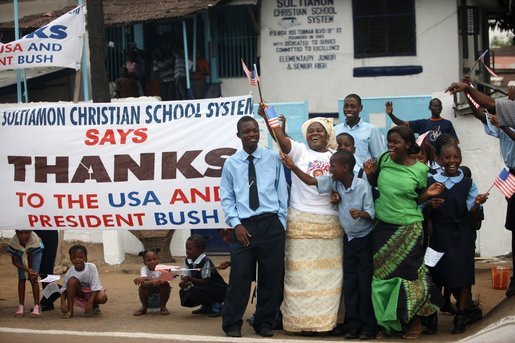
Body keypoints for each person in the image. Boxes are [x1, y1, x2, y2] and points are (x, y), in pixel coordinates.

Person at [260, 106, 343, 334]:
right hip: (301, 222)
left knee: (328, 277)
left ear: (328, 136)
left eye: (319, 131)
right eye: (310, 131)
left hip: (330, 224)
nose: (314, 134)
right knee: (299, 276)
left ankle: (324, 324)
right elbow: (280, 138)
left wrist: (338, 195)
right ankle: (298, 324)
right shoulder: (299, 152)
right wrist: (269, 119)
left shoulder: (334, 157)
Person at [282, 150, 377, 339]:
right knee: (350, 284)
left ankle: (368, 328)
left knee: (364, 284)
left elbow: (371, 213)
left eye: (332, 165)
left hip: (363, 240)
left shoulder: (362, 186)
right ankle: (354, 326)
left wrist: (361, 214)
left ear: (345, 167)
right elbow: (310, 181)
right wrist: (293, 167)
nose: (329, 168)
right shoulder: (335, 183)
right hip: (348, 239)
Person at [363, 126, 444, 339]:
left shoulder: (420, 170)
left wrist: (427, 193)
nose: (391, 145)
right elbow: (377, 187)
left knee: (409, 277)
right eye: (389, 141)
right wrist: (371, 175)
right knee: (382, 277)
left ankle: (414, 322)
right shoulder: (383, 160)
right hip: (383, 227)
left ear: (407, 145)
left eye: (396, 142)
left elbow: (416, 200)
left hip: (409, 228)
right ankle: (389, 324)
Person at [220, 116, 288, 338]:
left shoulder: (272, 158)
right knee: (239, 277)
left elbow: (281, 191)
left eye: (255, 130)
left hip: (270, 224)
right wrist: (236, 224)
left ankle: (264, 322)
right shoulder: (231, 163)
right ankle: (232, 324)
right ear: (238, 135)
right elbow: (227, 197)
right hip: (244, 228)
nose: (252, 134)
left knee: (270, 278)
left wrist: (281, 222)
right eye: (247, 131)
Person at [446, 80, 515, 297]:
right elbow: (479, 113)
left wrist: (468, 88)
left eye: (512, 98)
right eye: (509, 97)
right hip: (513, 174)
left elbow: (492, 105)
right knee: (514, 226)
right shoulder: (506, 118)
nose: (509, 101)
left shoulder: (507, 120)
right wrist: (468, 93)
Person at [425, 144, 488, 334]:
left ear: (460, 158)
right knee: (434, 276)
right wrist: (430, 206)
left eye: (456, 157)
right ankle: (432, 317)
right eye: (447, 158)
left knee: (462, 277)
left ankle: (460, 316)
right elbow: (421, 208)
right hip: (438, 236)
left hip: (461, 236)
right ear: (439, 159)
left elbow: (472, 212)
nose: (452, 161)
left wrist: (477, 204)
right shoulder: (431, 180)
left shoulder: (467, 183)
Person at [179, 234, 227, 317]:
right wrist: (184, 282)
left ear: (199, 250)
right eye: (186, 248)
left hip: (217, 289)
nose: (187, 251)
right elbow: (186, 274)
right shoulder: (188, 260)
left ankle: (217, 305)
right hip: (203, 287)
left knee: (195, 290)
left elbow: (205, 281)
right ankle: (207, 305)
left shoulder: (205, 261)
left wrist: (190, 279)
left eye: (189, 249)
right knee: (184, 292)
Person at [335, 93, 386, 167]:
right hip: (341, 175)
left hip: (363, 176)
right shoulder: (336, 129)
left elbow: (379, 157)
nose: (349, 109)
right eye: (346, 106)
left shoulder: (371, 130)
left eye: (353, 106)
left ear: (361, 108)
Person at [60, 245, 108, 318]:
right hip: (79, 293)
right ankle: (70, 311)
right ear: (70, 259)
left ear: (85, 258)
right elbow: (63, 290)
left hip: (92, 292)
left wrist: (90, 303)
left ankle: (95, 306)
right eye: (74, 258)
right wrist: (63, 303)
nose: (77, 260)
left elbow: (95, 286)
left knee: (102, 297)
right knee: (72, 281)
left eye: (80, 257)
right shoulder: (70, 272)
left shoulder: (92, 267)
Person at [385, 99, 459, 146]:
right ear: (429, 108)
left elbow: (455, 142)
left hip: (441, 160)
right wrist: (391, 115)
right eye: (435, 106)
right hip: (426, 160)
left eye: (439, 106)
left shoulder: (447, 123)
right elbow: (403, 124)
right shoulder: (423, 123)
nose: (437, 108)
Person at [8, 230, 44, 318]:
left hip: (35, 253)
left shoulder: (34, 240)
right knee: (21, 278)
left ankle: (37, 306)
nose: (23, 236)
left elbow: (31, 257)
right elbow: (14, 262)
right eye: (20, 233)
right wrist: (26, 269)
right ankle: (21, 306)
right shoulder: (13, 242)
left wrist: (31, 271)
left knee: (33, 278)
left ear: (30, 231)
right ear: (16, 232)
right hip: (20, 254)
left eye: (26, 233)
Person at [133, 248, 171, 316]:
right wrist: (154, 281)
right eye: (148, 260)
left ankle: (163, 307)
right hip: (148, 296)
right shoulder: (144, 269)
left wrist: (146, 278)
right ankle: (144, 307)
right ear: (144, 262)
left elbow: (165, 281)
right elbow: (143, 283)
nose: (152, 261)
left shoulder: (163, 268)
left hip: (160, 295)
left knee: (166, 285)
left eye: (154, 259)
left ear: (158, 259)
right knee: (142, 287)